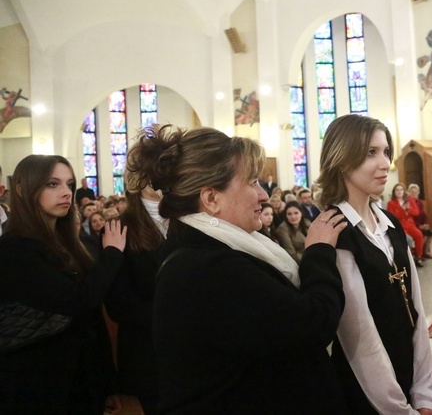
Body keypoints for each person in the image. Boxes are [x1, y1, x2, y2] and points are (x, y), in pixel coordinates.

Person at [132, 124, 347, 413]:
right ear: (211, 199)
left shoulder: (206, 250)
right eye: (251, 182)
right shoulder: (208, 269)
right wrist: (319, 251)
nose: (263, 194)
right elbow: (313, 324)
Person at [318, 114, 432, 415]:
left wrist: (425, 395)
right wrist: (401, 409)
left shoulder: (391, 224)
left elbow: (418, 314)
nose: (386, 162)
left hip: (406, 373)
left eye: (386, 151)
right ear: (343, 158)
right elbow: (359, 339)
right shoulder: (335, 231)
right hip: (366, 392)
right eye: (371, 152)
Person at [0, 154, 127, 413]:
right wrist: (112, 253)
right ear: (24, 190)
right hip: (38, 386)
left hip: (82, 381)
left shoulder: (70, 244)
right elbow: (77, 301)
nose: (66, 193)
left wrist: (107, 382)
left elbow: (92, 320)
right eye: (52, 184)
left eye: (69, 184)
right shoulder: (13, 250)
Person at [104, 178, 168, 414]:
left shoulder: (191, 221)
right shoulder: (120, 228)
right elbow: (119, 304)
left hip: (195, 355)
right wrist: (175, 316)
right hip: (148, 355)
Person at [387, 183, 425, 267]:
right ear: (394, 192)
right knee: (407, 239)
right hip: (400, 226)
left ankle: (418, 257)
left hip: (410, 225)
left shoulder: (409, 199)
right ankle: (409, 258)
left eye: (401, 190)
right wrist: (403, 211)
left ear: (404, 191)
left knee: (419, 235)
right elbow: (392, 217)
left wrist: (408, 209)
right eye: (397, 190)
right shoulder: (391, 203)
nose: (399, 192)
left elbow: (416, 212)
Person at [407, 183, 432, 259]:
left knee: (429, 234)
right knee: (424, 236)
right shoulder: (408, 203)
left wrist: (426, 224)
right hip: (414, 225)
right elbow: (411, 217)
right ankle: (419, 254)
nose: (414, 194)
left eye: (416, 192)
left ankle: (425, 252)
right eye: (412, 192)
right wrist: (420, 226)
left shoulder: (419, 202)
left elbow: (424, 215)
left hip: (421, 225)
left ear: (418, 192)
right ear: (409, 193)